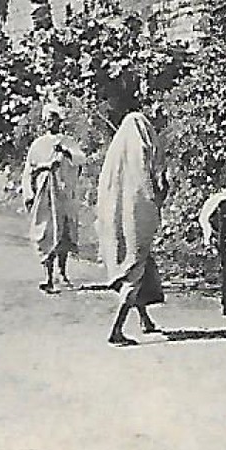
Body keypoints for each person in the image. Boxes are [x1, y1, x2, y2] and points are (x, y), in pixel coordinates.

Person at [96, 100, 168, 346]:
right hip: (136, 218)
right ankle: (116, 329)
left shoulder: (115, 163)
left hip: (114, 221)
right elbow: (153, 188)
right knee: (134, 270)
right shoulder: (141, 161)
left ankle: (145, 320)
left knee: (139, 264)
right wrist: (160, 193)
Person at [25, 103, 83, 292]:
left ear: (60, 121)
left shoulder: (68, 141)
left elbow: (80, 160)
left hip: (63, 194)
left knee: (63, 231)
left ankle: (62, 273)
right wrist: (29, 192)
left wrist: (65, 152)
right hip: (44, 195)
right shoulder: (38, 144)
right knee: (46, 232)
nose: (51, 123)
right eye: (48, 119)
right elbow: (29, 170)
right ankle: (47, 277)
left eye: (55, 119)